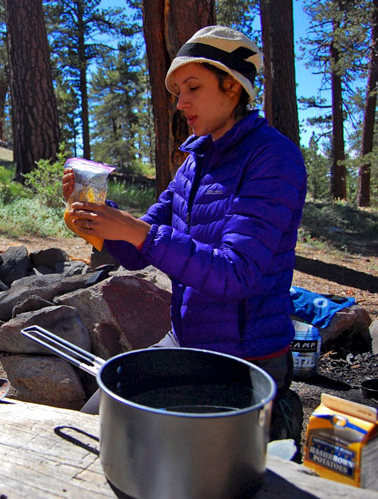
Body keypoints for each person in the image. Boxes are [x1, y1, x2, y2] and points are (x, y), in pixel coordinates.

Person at [63, 26, 306, 445]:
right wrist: (99, 223)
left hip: (248, 361)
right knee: (98, 423)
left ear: (233, 86)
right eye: (178, 91)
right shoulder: (196, 164)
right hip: (190, 341)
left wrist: (137, 231)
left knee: (176, 464)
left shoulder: (273, 158)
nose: (181, 103)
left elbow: (237, 274)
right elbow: (138, 251)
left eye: (192, 87)